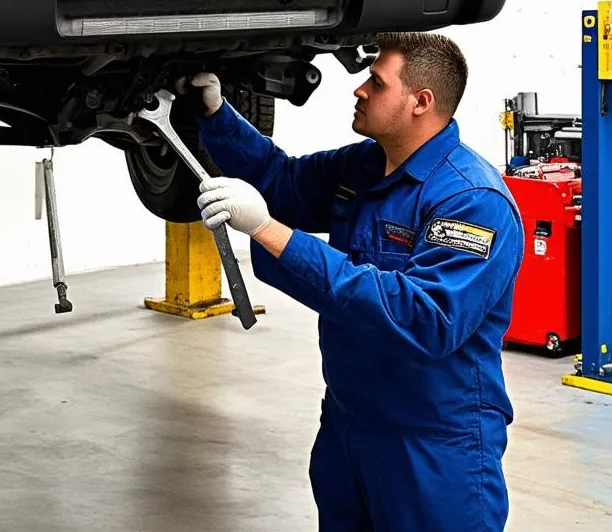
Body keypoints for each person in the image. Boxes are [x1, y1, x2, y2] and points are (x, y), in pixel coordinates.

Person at [189, 32, 523, 532]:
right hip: (349, 428)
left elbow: (424, 319)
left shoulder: (472, 200)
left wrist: (268, 231)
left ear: (420, 102)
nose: (359, 90)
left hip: (433, 447)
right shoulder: (365, 165)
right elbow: (283, 181)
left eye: (376, 81)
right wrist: (217, 115)